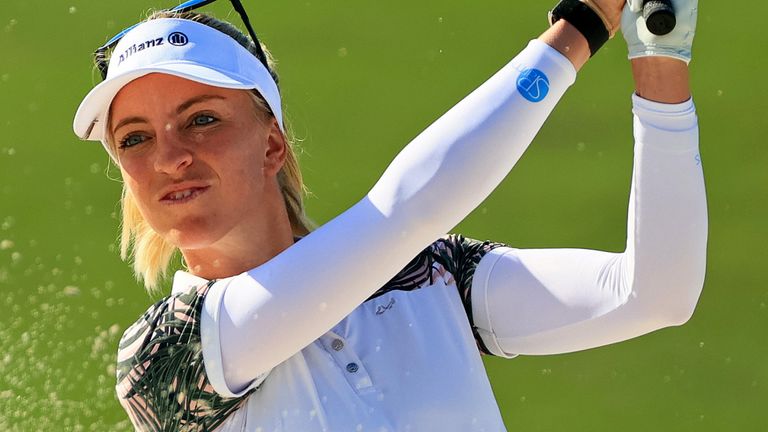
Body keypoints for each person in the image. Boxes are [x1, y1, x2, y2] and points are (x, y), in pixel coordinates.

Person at [72, 0, 706, 430]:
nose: (170, 158)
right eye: (135, 138)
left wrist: (660, 62)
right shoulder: (162, 358)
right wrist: (584, 23)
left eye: (202, 120)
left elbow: (654, 295)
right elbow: (410, 211)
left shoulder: (430, 275)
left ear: (271, 144)